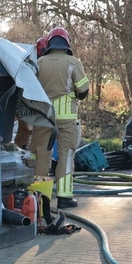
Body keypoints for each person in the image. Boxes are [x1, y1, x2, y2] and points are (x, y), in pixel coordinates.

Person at [33, 27, 89, 208]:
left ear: (49, 43)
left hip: (44, 117)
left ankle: (40, 200)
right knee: (66, 154)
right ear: (67, 43)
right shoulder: (73, 62)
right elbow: (83, 90)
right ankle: (64, 197)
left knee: (42, 155)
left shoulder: (39, 63)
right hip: (66, 119)